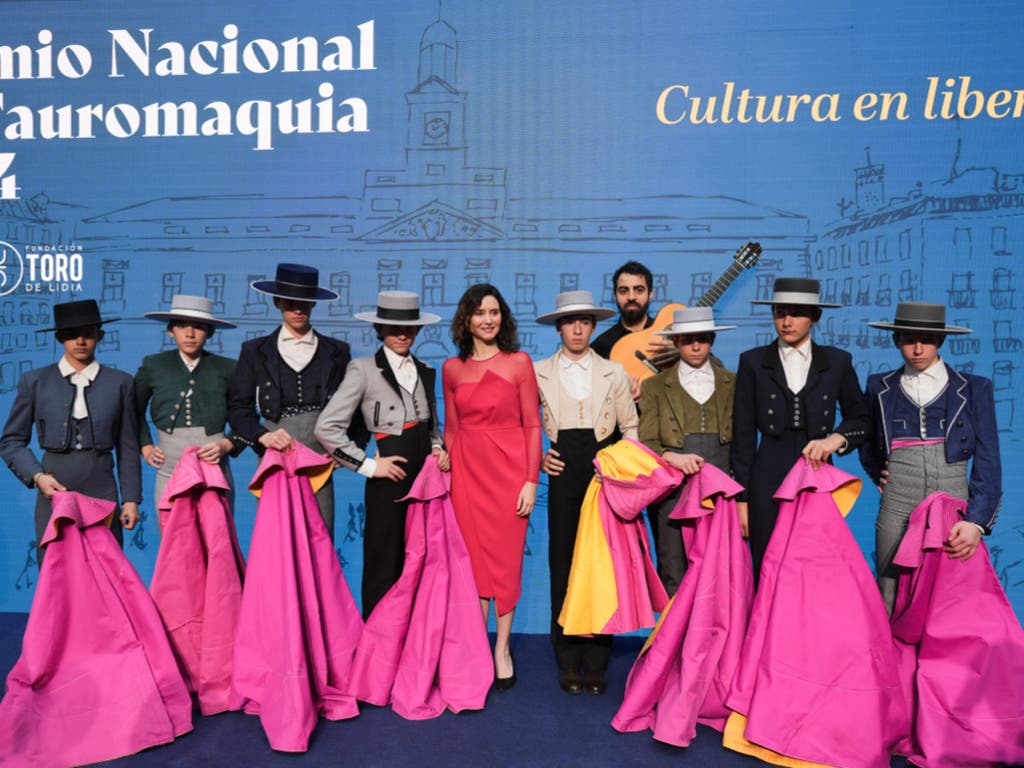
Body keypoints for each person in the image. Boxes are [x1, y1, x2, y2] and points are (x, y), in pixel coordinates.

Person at [860, 302, 1001, 613]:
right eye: (909, 339)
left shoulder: (975, 388)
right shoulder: (879, 387)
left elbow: (989, 460)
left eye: (926, 340)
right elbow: (866, 440)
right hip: (897, 503)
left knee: (952, 597)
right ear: (896, 340)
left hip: (952, 503)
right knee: (888, 591)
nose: (918, 349)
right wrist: (878, 473)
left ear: (941, 340)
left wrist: (976, 522)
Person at [315, 291, 450, 619]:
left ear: (418, 329)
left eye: (409, 327)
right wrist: (368, 465)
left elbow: (432, 426)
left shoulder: (426, 369)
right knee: (383, 557)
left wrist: (437, 448)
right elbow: (326, 428)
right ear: (379, 329)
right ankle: (378, 638)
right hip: (388, 476)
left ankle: (415, 636)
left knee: (421, 555)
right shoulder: (363, 369)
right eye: (393, 328)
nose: (402, 334)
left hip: (425, 478)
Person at [731, 277, 869, 584]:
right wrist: (742, 498)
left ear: (815, 316)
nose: (786, 321)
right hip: (766, 474)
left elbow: (861, 419)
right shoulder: (753, 362)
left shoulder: (837, 361)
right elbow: (742, 436)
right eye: (780, 312)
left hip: (817, 473)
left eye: (796, 313)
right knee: (766, 562)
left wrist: (835, 440)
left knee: (816, 562)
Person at [535, 290, 637, 696]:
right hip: (562, 472)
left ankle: (596, 661)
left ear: (593, 327)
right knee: (562, 563)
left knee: (602, 565)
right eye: (569, 322)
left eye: (584, 322)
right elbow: (522, 425)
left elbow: (630, 428)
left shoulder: (613, 371)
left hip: (602, 473)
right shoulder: (537, 372)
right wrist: (538, 458)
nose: (577, 329)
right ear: (558, 327)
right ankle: (566, 658)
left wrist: (621, 469)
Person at [442, 283, 541, 691]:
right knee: (473, 566)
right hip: (466, 476)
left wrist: (531, 481)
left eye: (494, 312)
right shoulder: (451, 369)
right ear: (466, 320)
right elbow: (451, 429)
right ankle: (476, 648)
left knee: (506, 562)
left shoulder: (519, 363)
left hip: (509, 476)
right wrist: (445, 464)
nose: (488, 319)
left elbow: (532, 425)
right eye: (480, 312)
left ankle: (502, 649)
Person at [0, 299, 140, 564]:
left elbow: (128, 447)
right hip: (54, 489)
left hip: (102, 489)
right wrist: (37, 477)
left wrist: (131, 499)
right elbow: (11, 442)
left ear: (100, 336)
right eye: (72, 334)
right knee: (56, 569)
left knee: (105, 569)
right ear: (59, 338)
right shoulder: (35, 381)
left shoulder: (121, 382)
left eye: (88, 333)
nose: (80, 340)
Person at [228, 263, 352, 540]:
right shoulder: (254, 350)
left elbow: (355, 406)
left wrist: (344, 452)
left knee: (320, 538)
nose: (298, 310)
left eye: (304, 302)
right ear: (277, 303)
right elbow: (238, 408)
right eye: (290, 303)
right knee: (276, 541)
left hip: (319, 456)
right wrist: (262, 436)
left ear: (313, 304)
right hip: (274, 455)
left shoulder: (337, 351)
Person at [638, 306, 736, 595]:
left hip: (721, 484)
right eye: (688, 339)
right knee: (673, 563)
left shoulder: (732, 382)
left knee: (720, 563)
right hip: (673, 486)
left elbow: (743, 438)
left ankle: (717, 624)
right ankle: (675, 625)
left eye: (703, 338)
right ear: (676, 341)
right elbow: (647, 441)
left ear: (712, 340)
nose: (696, 346)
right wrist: (673, 458)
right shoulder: (654, 386)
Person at [135, 294, 243, 516]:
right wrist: (145, 445)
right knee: (172, 528)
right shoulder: (153, 365)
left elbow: (245, 414)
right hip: (169, 465)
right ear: (170, 330)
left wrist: (228, 444)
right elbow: (133, 410)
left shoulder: (228, 368)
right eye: (182, 326)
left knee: (217, 530)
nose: (190, 334)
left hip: (215, 464)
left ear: (210, 332)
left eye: (199, 327)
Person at [590, 260, 676, 373]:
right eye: (623, 291)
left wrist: (683, 354)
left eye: (639, 290)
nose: (631, 297)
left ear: (650, 294)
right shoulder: (601, 346)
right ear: (615, 296)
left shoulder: (671, 337)